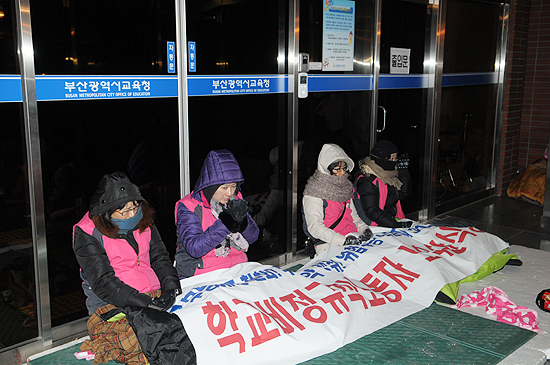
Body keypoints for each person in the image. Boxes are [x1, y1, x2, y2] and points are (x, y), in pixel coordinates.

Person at [72, 171, 181, 364]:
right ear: (107, 212)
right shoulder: (88, 232)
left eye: (135, 206)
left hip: (154, 296)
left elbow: (160, 257)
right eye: (124, 211)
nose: (132, 214)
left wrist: (170, 287)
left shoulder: (144, 219)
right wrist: (144, 302)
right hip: (113, 305)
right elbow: (103, 282)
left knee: (192, 323)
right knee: (153, 338)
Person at [174, 149, 259, 278]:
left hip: (237, 269)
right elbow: (194, 248)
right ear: (211, 186)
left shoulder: (235, 198)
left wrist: (243, 223)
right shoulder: (188, 206)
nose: (230, 193)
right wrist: (226, 224)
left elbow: (253, 237)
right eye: (224, 187)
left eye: (233, 186)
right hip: (203, 274)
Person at [302, 143, 372, 256]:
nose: (342, 173)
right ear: (326, 169)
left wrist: (364, 229)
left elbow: (353, 216)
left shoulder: (346, 188)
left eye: (344, 169)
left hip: (353, 239)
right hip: (329, 245)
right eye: (337, 169)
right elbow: (315, 227)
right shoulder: (314, 192)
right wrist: (342, 241)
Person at [353, 140, 412, 228]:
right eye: (392, 158)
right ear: (382, 158)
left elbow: (404, 194)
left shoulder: (390, 175)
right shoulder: (367, 179)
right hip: (374, 225)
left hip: (390, 220)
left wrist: (403, 171)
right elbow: (372, 211)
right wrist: (394, 224)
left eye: (395, 158)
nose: (394, 161)